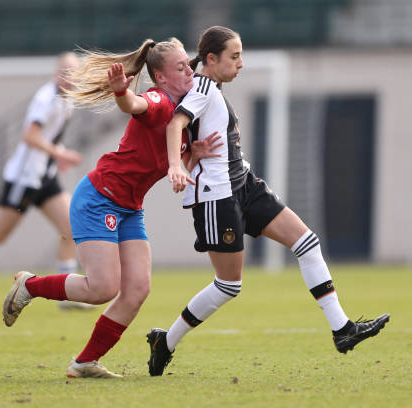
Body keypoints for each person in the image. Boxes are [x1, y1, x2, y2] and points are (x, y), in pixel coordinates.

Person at [146, 26, 391, 376]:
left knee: (306, 242)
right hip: (217, 197)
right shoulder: (201, 87)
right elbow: (175, 124)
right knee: (229, 285)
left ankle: (342, 329)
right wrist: (175, 166)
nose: (241, 63)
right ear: (211, 59)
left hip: (245, 185)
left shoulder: (211, 88)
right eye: (234, 56)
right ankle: (165, 341)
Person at [1, 38, 221, 379]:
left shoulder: (183, 116)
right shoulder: (159, 101)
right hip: (99, 197)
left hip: (129, 207)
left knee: (137, 290)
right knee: (102, 289)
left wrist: (194, 154)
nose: (189, 72)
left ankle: (84, 362)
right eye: (180, 68)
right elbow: (136, 104)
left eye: (188, 66)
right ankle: (30, 286)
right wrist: (121, 92)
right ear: (161, 78)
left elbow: (167, 162)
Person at [0, 52, 91, 316]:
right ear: (56, 73)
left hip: (44, 176)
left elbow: (49, 137)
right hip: (24, 179)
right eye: (65, 71)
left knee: (71, 224)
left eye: (74, 71)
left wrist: (58, 153)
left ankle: (67, 292)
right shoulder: (46, 99)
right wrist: (61, 154)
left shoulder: (66, 100)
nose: (70, 76)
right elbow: (30, 136)